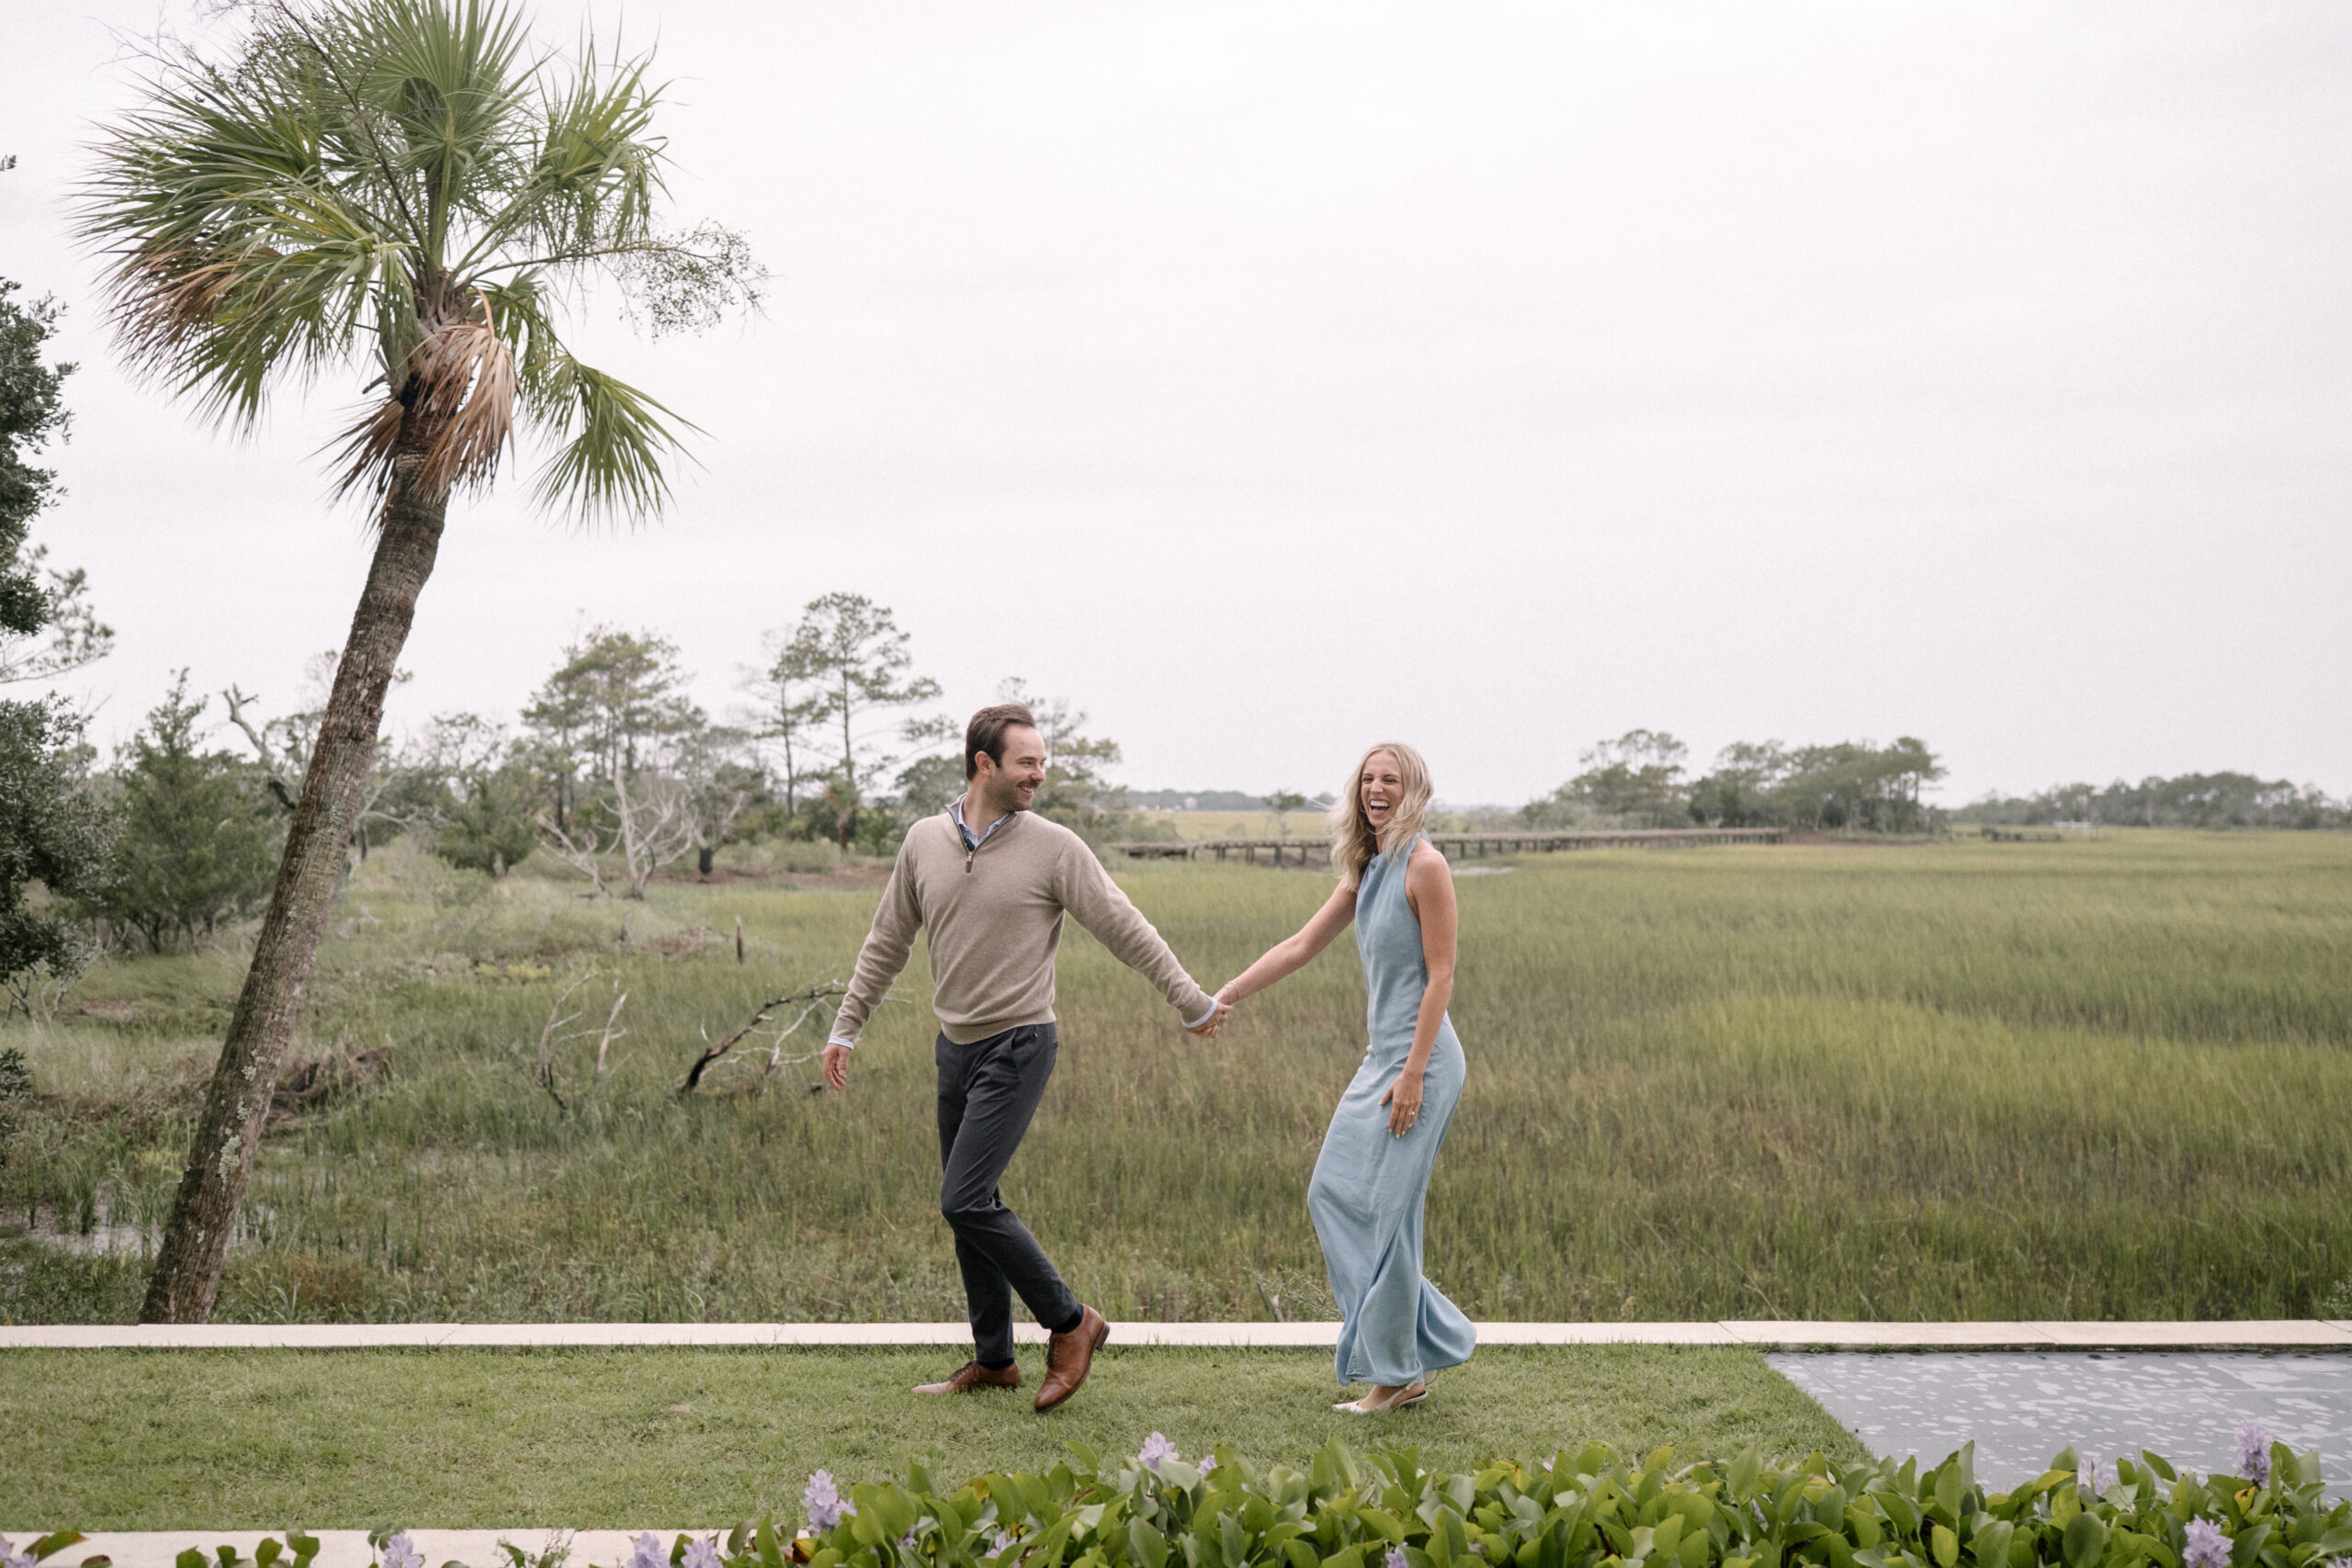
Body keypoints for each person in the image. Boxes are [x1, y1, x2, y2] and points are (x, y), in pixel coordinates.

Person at [821, 703, 1227, 1410]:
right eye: (1027, 762)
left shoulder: (1055, 847)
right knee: (969, 1205)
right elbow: (887, 939)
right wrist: (846, 1025)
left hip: (1021, 1041)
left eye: (1042, 762)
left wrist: (1189, 999)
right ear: (985, 764)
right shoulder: (923, 841)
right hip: (956, 1048)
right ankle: (995, 1358)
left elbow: (1123, 925)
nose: (1039, 773)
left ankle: (1072, 1322)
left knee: (964, 1196)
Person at [1210, 741, 1476, 1412]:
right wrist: (1228, 995)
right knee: (1332, 1191)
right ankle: (1422, 1340)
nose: (1376, 789)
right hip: (1379, 1058)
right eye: (1368, 779)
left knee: (1388, 1213)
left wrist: (1414, 1071)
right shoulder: (1369, 866)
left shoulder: (1426, 866)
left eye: (1391, 779)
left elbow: (1441, 974)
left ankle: (1396, 1374)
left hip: (1423, 1061)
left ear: (1415, 788)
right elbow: (1301, 943)